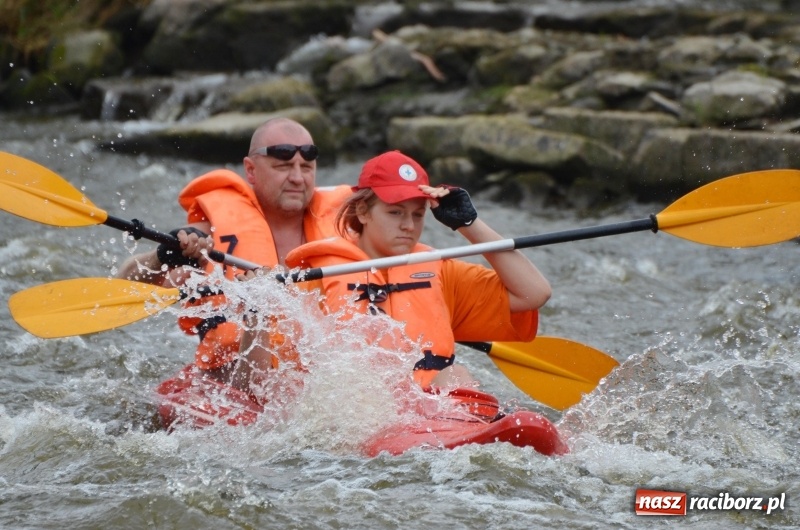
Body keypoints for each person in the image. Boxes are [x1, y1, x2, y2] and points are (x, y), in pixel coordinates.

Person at [231, 150, 551, 398]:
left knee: (455, 375)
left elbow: (534, 293)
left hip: (436, 408)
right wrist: (256, 309)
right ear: (363, 211)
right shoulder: (317, 276)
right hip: (363, 412)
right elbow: (258, 382)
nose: (408, 226)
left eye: (417, 214)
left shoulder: (441, 272)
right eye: (395, 213)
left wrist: (469, 225)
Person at [117, 117, 351, 379]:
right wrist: (161, 256)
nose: (298, 178)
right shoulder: (211, 235)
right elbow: (123, 287)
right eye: (283, 166)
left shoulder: (348, 227)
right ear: (250, 170)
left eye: (306, 167)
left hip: (319, 382)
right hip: (231, 381)